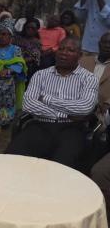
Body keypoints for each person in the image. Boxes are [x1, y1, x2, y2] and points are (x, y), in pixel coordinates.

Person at [6, 37, 98, 169]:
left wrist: (46, 99)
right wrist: (65, 114)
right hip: (40, 125)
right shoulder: (40, 75)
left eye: (70, 50)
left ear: (80, 55)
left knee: (62, 167)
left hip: (72, 129)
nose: (64, 53)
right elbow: (28, 104)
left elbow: (84, 107)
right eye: (61, 49)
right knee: (12, 158)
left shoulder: (89, 78)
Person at [0, 22, 27, 136]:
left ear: (11, 36)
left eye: (4, 34)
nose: (1, 36)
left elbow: (19, 64)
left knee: (0, 85)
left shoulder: (15, 49)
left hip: (4, 78)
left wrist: (8, 70)